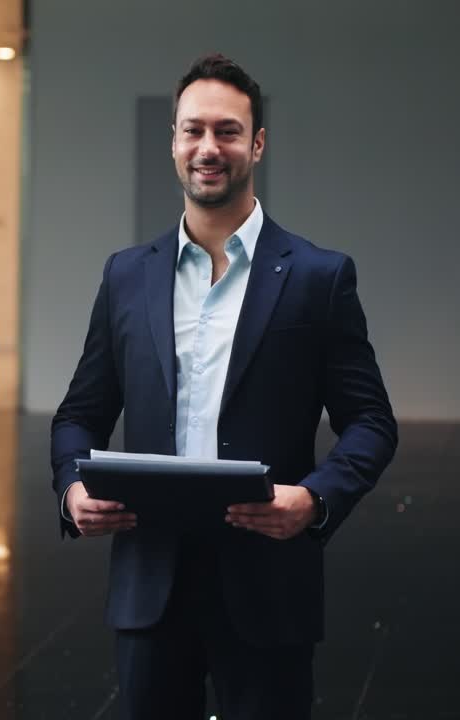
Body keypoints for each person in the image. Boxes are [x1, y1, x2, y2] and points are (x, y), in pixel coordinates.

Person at [50, 54, 397, 719]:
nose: (209, 147)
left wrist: (315, 500)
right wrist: (71, 489)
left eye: (228, 131)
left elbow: (372, 422)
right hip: (150, 582)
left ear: (257, 143)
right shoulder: (127, 276)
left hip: (269, 580)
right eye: (193, 130)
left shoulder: (317, 278)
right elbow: (79, 413)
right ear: (174, 142)